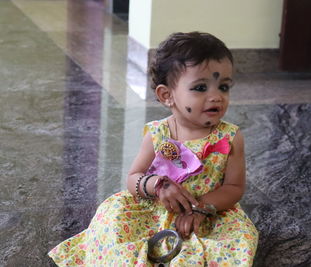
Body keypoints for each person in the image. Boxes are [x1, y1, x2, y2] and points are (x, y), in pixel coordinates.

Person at [48, 31, 259, 266]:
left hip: (208, 213)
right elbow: (133, 178)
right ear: (167, 95)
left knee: (236, 243)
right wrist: (157, 185)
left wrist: (201, 209)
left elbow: (234, 187)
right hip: (151, 209)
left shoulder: (230, 137)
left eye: (223, 87)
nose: (216, 97)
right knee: (111, 222)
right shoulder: (157, 133)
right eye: (201, 88)